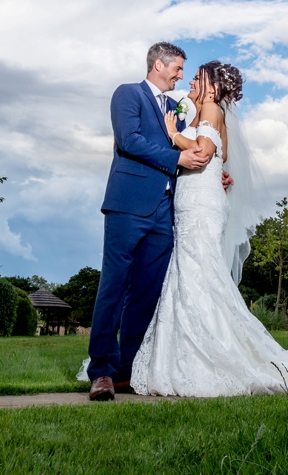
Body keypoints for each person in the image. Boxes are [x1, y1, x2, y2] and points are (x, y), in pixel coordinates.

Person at [127, 60, 288, 397]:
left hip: (201, 207)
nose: (190, 80)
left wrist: (174, 134)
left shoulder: (209, 108)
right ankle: (189, 355)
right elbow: (221, 156)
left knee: (198, 275)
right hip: (196, 201)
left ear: (213, 86)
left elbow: (204, 152)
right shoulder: (206, 112)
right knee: (193, 276)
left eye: (197, 77)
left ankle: (209, 357)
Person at [84, 42, 212, 400]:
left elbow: (192, 144)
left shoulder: (175, 108)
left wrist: (214, 172)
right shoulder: (128, 95)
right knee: (114, 285)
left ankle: (128, 370)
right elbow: (130, 142)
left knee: (146, 292)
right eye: (178, 69)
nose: (181, 75)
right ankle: (102, 373)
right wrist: (178, 160)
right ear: (159, 65)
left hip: (164, 210)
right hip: (128, 204)